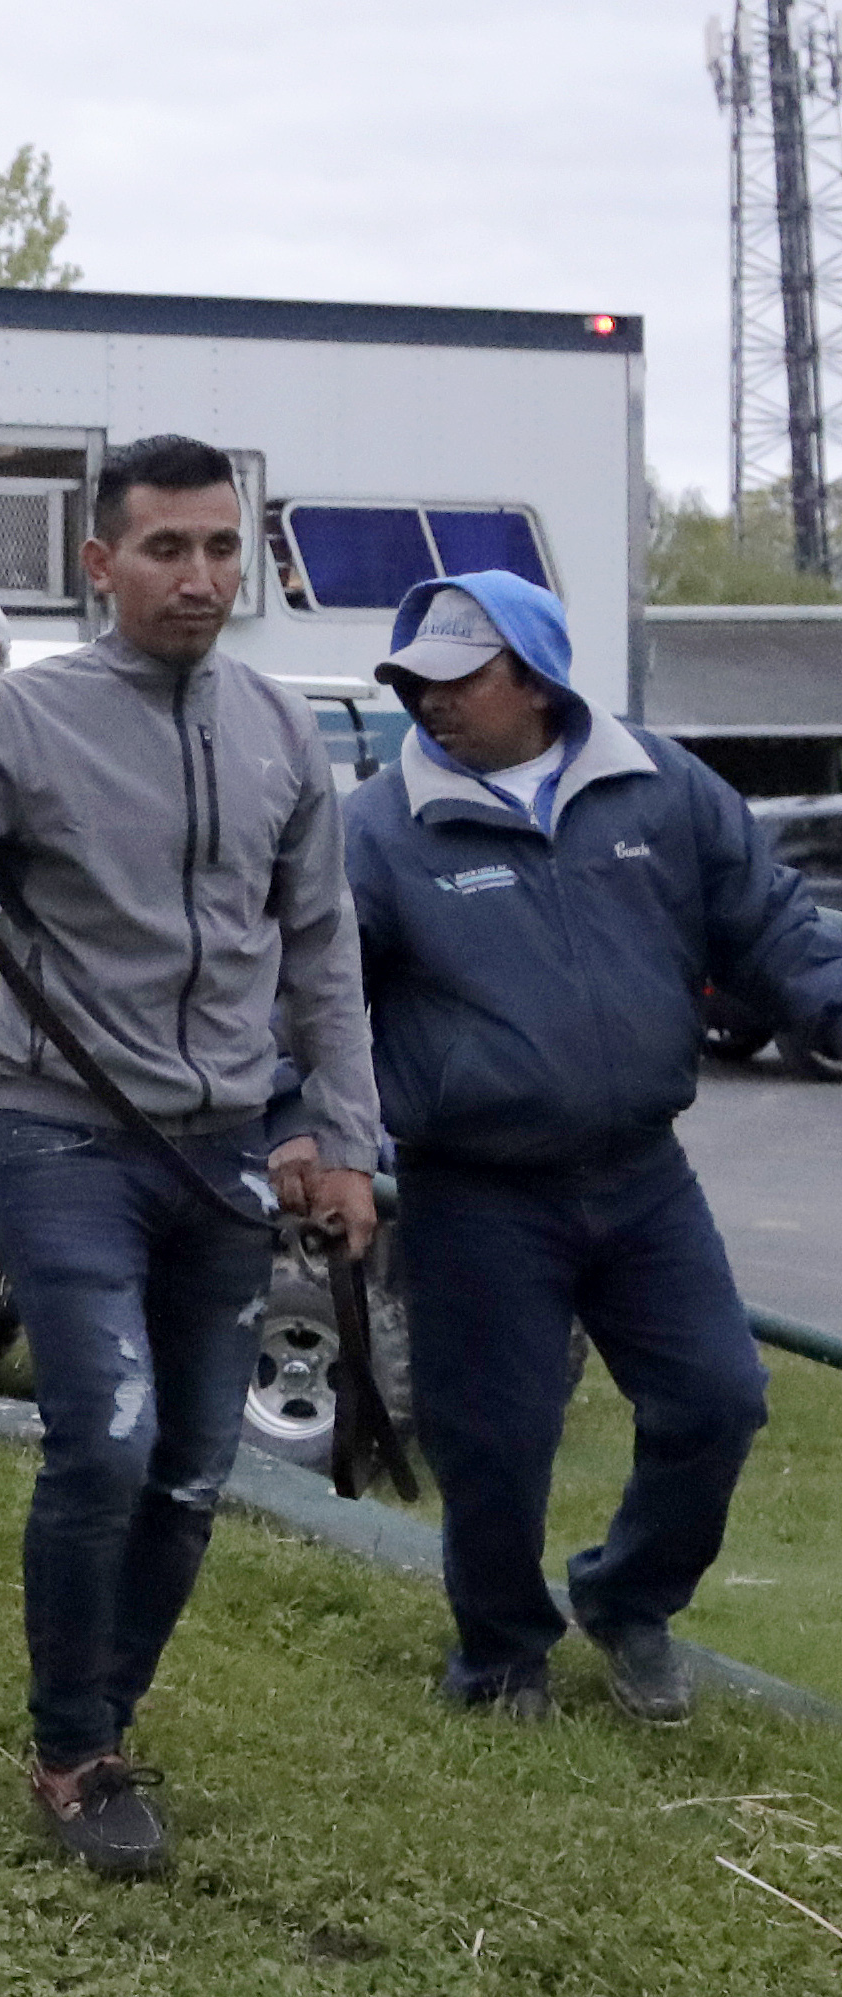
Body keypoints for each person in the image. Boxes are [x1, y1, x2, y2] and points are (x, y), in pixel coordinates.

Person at [0, 434, 380, 1875]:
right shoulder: (23, 721)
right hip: (67, 1142)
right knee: (109, 1439)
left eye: (219, 546)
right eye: (164, 549)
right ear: (99, 563)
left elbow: (323, 957)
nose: (199, 576)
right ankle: (75, 1751)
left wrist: (341, 1137)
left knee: (196, 1466)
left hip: (230, 1154)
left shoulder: (280, 728)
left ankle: (101, 1716)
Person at [344, 571, 842, 1724]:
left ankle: (627, 1599)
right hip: (475, 1190)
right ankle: (503, 1656)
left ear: (534, 674)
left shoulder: (661, 787)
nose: (431, 703)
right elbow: (315, 1002)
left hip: (643, 1177)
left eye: (458, 680)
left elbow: (770, 925)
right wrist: (309, 1133)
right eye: (413, 683)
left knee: (718, 1399)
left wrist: (828, 1004)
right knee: (495, 1440)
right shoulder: (377, 827)